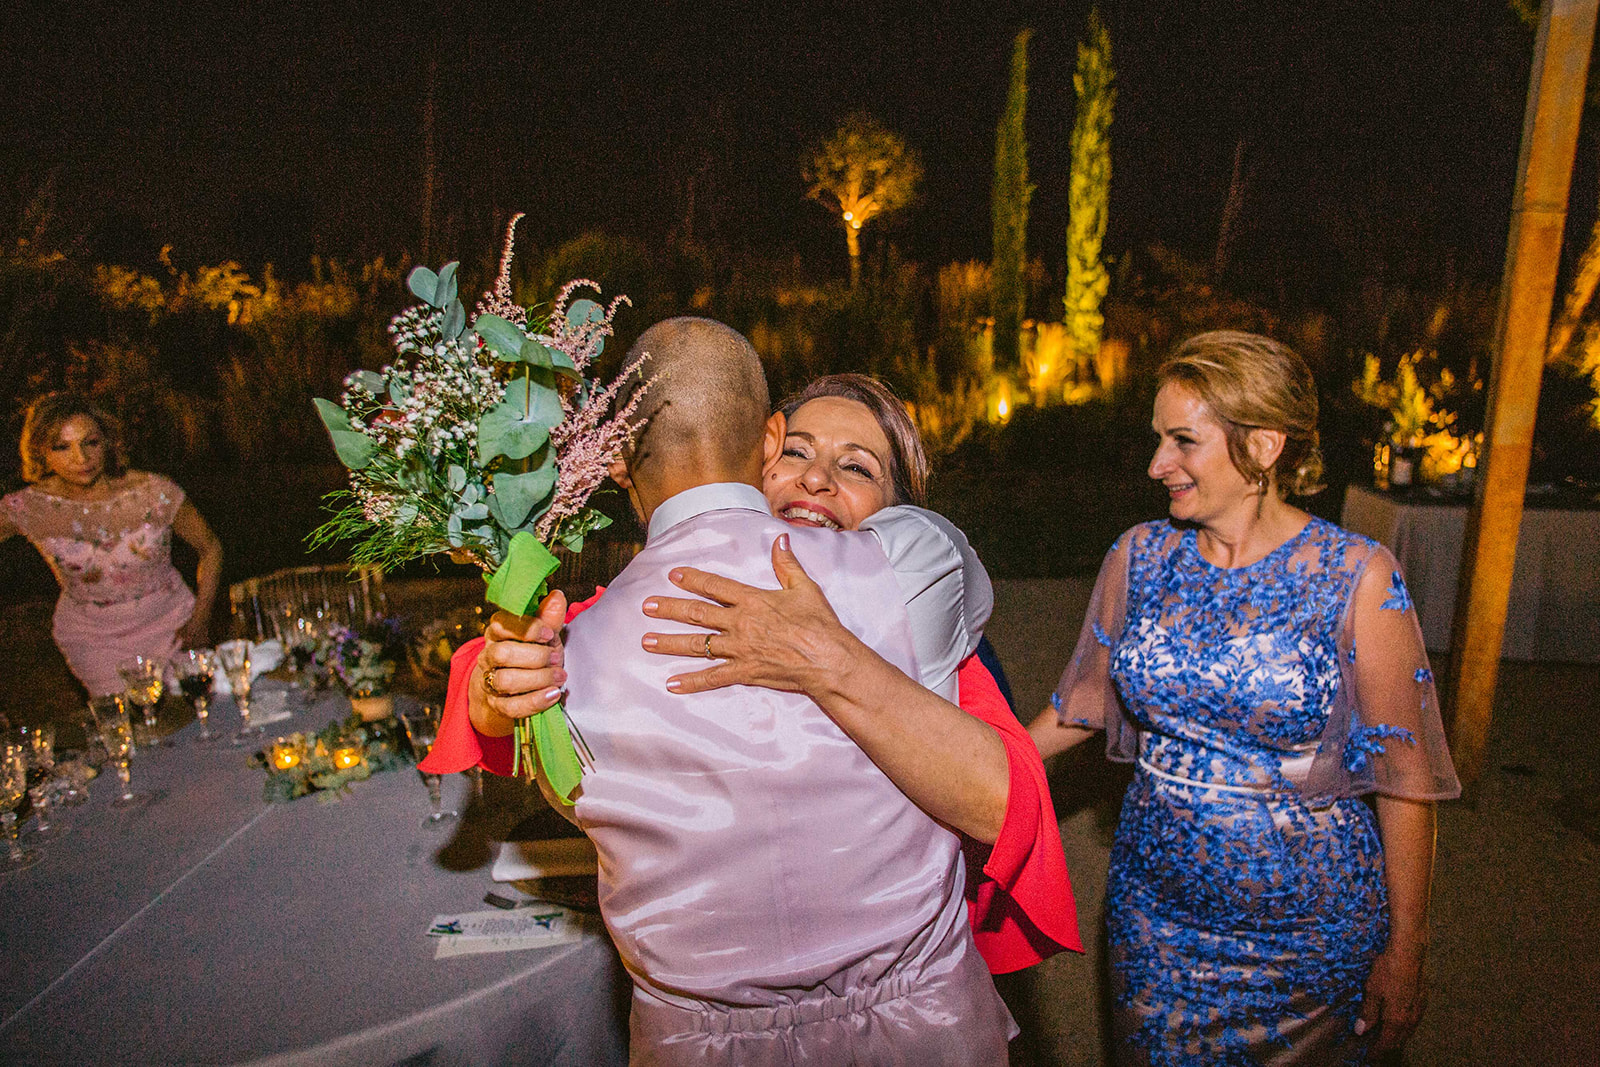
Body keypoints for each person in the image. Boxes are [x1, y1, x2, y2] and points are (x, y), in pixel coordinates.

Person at [434, 319, 1015, 1064]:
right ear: (770, 440)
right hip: (923, 1032)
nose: (813, 479)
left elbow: (563, 786)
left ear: (614, 460)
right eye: (799, 451)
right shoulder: (911, 565)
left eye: (854, 466)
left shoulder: (568, 666)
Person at [1028, 331, 1460, 1064]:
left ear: (1263, 444)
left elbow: (1404, 777)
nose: (1157, 464)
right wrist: (970, 760)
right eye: (1158, 438)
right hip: (1153, 915)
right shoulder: (1138, 555)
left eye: (1182, 441)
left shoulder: (1357, 575)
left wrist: (1407, 949)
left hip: (1308, 939)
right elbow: (1083, 703)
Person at [1, 393, 222, 697]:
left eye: (90, 442)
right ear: (42, 453)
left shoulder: (153, 492)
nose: (81, 459)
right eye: (62, 447)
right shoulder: (29, 508)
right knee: (130, 732)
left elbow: (210, 548)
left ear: (107, 441)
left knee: (199, 716)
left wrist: (201, 619)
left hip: (173, 625)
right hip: (94, 641)